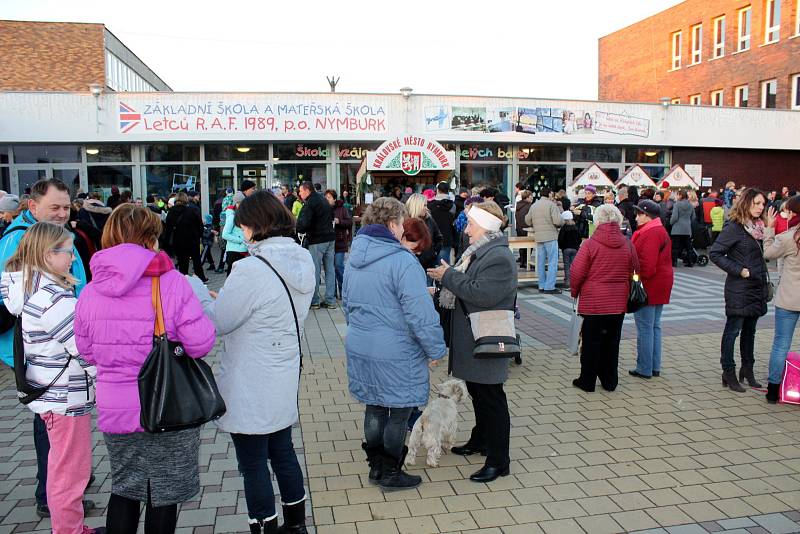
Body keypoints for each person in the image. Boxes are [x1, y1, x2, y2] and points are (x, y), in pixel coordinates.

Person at [74, 204, 216, 534]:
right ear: (150, 237)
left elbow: (87, 352)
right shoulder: (171, 282)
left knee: (125, 488)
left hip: (116, 408)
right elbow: (200, 344)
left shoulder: (91, 289)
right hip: (166, 404)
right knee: (162, 494)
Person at [190, 191, 314, 533]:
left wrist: (200, 293)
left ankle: (265, 525)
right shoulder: (303, 259)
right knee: (283, 452)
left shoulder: (249, 268)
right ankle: (297, 524)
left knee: (254, 462)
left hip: (251, 378)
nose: (241, 231)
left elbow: (219, 322)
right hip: (283, 369)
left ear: (254, 226)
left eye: (243, 224)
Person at [1, 222, 102, 534]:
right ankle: (69, 529)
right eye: (67, 252)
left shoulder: (34, 291)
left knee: (63, 468)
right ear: (46, 255)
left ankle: (71, 527)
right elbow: (84, 348)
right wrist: (109, 379)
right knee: (70, 472)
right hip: (65, 396)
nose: (72, 258)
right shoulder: (53, 298)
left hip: (53, 394)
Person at [344, 197, 446, 490]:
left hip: (362, 344)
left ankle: (376, 469)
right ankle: (390, 472)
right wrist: (436, 348)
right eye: (401, 223)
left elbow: (347, 305)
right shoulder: (403, 262)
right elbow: (420, 314)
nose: (403, 229)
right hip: (397, 351)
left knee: (374, 407)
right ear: (392, 224)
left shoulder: (354, 258)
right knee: (399, 412)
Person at [427, 201, 516, 483]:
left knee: (492, 399)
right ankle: (481, 441)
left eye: (472, 225)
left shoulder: (498, 256)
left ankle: (499, 460)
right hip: (475, 338)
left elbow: (481, 294)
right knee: (480, 393)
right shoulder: (479, 252)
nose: (467, 231)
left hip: (487, 338)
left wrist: (448, 276)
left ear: (487, 226)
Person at [570, 204, 639, 393]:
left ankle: (587, 381)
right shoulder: (628, 243)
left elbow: (577, 272)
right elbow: (635, 270)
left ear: (598, 221)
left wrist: (575, 291)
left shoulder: (590, 244)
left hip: (593, 302)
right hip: (618, 303)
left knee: (591, 343)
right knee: (611, 343)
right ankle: (610, 381)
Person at [709, 188, 770, 393]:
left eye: (763, 204)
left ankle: (747, 369)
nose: (761, 207)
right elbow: (716, 253)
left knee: (750, 332)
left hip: (756, 287)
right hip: (739, 288)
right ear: (746, 203)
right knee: (732, 331)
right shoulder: (734, 227)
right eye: (757, 203)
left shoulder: (759, 227)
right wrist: (739, 270)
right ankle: (728, 371)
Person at [628, 200, 674, 379]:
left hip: (649, 286)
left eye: (640, 213)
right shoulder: (658, 230)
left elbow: (647, 267)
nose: (636, 216)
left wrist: (633, 277)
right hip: (661, 285)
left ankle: (644, 368)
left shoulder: (650, 233)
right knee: (654, 327)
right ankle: (654, 367)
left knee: (645, 328)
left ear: (649, 216)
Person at [763, 196, 800, 403]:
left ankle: (773, 390)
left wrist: (769, 230)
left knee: (780, 344)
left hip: (788, 298)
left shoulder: (789, 237)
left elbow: (768, 253)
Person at [296, 181, 337, 309]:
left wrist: (299, 229)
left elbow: (303, 223)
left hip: (317, 239)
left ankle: (314, 300)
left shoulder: (310, 202)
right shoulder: (323, 199)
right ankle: (330, 300)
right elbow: (331, 215)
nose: (300, 193)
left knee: (315, 270)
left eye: (301, 191)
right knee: (330, 269)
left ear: (307, 190)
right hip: (330, 238)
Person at [526, 187, 563, 294]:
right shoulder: (552, 205)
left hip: (539, 236)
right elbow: (557, 221)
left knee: (540, 262)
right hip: (550, 236)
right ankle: (550, 286)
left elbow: (527, 220)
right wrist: (562, 221)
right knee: (552, 262)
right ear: (549, 194)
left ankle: (541, 285)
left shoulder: (534, 205)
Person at [164, 192, 207, 282]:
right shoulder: (191, 211)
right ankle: (201, 277)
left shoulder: (171, 212)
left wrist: (167, 245)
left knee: (182, 262)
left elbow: (167, 230)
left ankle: (183, 279)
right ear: (185, 199)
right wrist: (198, 236)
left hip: (178, 242)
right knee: (196, 261)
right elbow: (200, 226)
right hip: (192, 241)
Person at [325, 189, 353, 299]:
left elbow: (349, 222)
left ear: (334, 198)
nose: (327, 199)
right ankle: (332, 293)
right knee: (330, 269)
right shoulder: (324, 209)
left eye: (329, 197)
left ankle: (343, 291)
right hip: (328, 243)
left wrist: (339, 221)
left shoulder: (342, 208)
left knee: (338, 266)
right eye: (326, 197)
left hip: (340, 242)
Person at [405, 193, 443, 271]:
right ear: (416, 206)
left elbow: (439, 237)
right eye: (424, 205)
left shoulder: (429, 220)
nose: (427, 208)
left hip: (428, 265)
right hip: (409, 265)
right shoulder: (405, 221)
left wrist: (434, 253)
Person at [428, 182, 457, 265]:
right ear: (448, 191)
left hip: (432, 237)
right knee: (443, 265)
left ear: (437, 190)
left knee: (431, 266)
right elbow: (452, 221)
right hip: (447, 236)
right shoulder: (452, 205)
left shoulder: (430, 205)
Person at [222, 192, 248, 275]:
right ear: (235, 203)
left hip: (242, 250)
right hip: (234, 252)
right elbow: (225, 234)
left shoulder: (243, 215)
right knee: (231, 278)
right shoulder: (232, 217)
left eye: (242, 202)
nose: (241, 205)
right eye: (238, 202)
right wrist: (240, 240)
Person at [670, 190, 696, 267]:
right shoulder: (690, 205)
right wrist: (688, 222)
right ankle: (690, 262)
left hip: (677, 228)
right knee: (688, 247)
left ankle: (674, 262)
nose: (676, 196)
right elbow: (693, 217)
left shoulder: (677, 204)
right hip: (687, 229)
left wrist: (671, 223)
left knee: (675, 246)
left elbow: (674, 217)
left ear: (680, 195)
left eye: (677, 195)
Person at [557, 210, 581, 290]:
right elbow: (579, 239)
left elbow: (561, 239)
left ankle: (568, 282)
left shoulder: (564, 228)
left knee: (566, 265)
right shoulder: (575, 227)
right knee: (573, 265)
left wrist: (561, 247)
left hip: (566, 249)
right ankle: (575, 281)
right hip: (575, 249)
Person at [514, 189, 533, 268]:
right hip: (527, 228)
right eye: (531, 197)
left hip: (519, 227)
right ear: (527, 197)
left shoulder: (518, 205)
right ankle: (526, 261)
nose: (532, 199)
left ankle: (522, 261)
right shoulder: (529, 206)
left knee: (522, 246)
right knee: (530, 245)